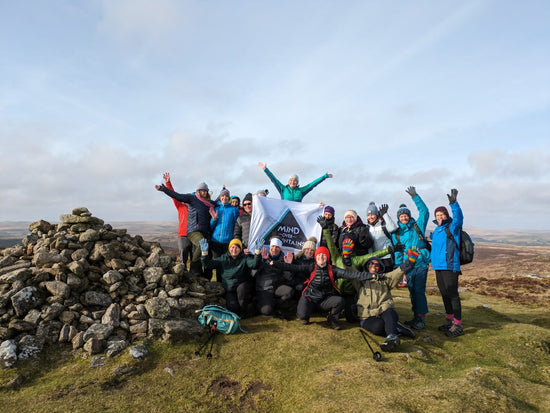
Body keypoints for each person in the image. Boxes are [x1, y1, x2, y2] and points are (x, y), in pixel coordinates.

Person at [272, 246, 381, 330]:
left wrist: (370, 275)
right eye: (319, 255)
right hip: (310, 297)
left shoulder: (333, 270)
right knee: (303, 317)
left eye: (324, 255)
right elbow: (293, 267)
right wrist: (275, 263)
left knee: (339, 301)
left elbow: (352, 275)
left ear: (327, 257)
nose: (321, 257)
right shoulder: (311, 267)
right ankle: (306, 313)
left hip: (325, 299)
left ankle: (332, 319)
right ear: (316, 257)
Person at [317, 216, 404, 323]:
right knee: (336, 307)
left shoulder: (358, 259)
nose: (347, 246)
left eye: (350, 244)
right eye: (345, 244)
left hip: (350, 293)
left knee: (351, 319)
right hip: (338, 290)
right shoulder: (337, 257)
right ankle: (334, 314)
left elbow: (374, 254)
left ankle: (352, 310)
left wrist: (389, 250)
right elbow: (330, 244)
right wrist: (325, 229)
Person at [344, 254, 417, 352]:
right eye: (371, 263)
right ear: (367, 266)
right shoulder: (360, 279)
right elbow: (350, 270)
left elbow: (396, 273)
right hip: (367, 316)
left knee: (390, 313)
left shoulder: (384, 279)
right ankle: (397, 328)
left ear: (380, 268)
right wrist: (347, 258)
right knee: (378, 327)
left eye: (377, 265)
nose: (374, 266)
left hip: (384, 311)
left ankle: (392, 339)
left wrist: (408, 263)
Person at [155, 181, 215, 278]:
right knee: (193, 249)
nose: (204, 192)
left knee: (201, 252)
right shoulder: (187, 203)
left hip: (203, 231)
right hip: (189, 232)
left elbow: (219, 202)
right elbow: (176, 196)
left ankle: (200, 275)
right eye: (202, 190)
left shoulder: (207, 203)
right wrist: (165, 188)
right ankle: (188, 271)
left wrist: (223, 191)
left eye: (205, 191)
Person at [392, 187, 431, 330]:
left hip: (420, 263)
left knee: (419, 290)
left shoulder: (417, 225)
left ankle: (421, 319)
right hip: (407, 266)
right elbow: (398, 252)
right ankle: (416, 317)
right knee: (412, 290)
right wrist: (398, 268)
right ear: (398, 218)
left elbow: (425, 212)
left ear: (408, 215)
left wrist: (415, 197)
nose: (404, 217)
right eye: (401, 216)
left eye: (405, 215)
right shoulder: (397, 233)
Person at [431, 188, 464, 338]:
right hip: (438, 267)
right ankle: (450, 320)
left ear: (446, 215)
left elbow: (458, 218)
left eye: (441, 214)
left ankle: (458, 324)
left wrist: (454, 204)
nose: (439, 217)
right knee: (444, 294)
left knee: (453, 295)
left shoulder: (452, 227)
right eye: (437, 215)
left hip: (450, 266)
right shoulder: (437, 230)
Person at [200, 238, 262, 316]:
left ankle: (244, 311)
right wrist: (204, 253)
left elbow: (254, 264)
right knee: (233, 308)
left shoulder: (245, 258)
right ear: (229, 249)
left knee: (242, 291)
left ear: (240, 249)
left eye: (237, 247)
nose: (234, 249)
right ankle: (238, 310)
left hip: (242, 287)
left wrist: (257, 253)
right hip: (229, 289)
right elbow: (208, 264)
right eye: (232, 247)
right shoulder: (223, 259)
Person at [160, 172, 193, 269]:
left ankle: (194, 276)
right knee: (183, 256)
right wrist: (168, 183)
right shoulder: (180, 207)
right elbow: (173, 195)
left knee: (194, 257)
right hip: (183, 235)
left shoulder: (195, 208)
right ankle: (183, 273)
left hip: (193, 235)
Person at [258, 162, 333, 202]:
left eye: (295, 180)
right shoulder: (283, 189)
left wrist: (324, 177)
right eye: (291, 180)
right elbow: (274, 180)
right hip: (285, 214)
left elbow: (313, 184)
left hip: (296, 216)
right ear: (288, 181)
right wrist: (265, 169)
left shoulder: (301, 191)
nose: (292, 182)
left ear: (297, 183)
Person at [254, 237, 289, 316]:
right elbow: (254, 272)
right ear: (269, 247)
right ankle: (258, 303)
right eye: (272, 246)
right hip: (265, 288)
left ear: (280, 249)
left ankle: (275, 305)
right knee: (266, 311)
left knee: (288, 291)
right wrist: (262, 261)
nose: (274, 249)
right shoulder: (262, 256)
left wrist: (288, 265)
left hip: (277, 287)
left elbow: (287, 277)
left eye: (277, 247)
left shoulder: (284, 259)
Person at [365, 202, 398, 272]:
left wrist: (385, 214)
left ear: (377, 215)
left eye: (372, 214)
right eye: (368, 215)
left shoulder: (383, 224)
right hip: (374, 258)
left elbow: (393, 228)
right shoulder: (367, 228)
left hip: (386, 257)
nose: (370, 217)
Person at [210, 188, 240, 259]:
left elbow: (237, 225)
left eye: (226, 196)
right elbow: (211, 227)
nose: (224, 198)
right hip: (215, 241)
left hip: (228, 241)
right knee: (217, 262)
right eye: (222, 196)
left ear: (229, 198)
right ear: (220, 198)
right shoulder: (216, 209)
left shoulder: (234, 210)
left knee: (226, 263)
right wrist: (213, 219)